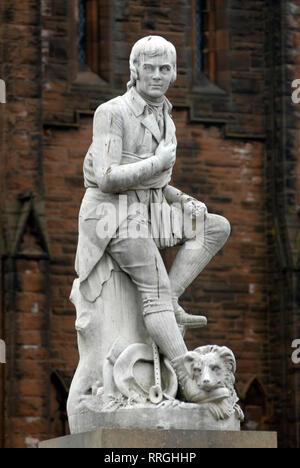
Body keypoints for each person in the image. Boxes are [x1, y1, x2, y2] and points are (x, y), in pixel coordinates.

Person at [75, 36, 231, 402]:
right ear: (135, 71)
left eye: (165, 68)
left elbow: (159, 182)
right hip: (111, 215)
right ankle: (188, 378)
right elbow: (108, 176)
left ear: (174, 72)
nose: (157, 76)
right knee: (154, 290)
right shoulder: (111, 112)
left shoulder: (165, 114)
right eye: (150, 68)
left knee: (215, 226)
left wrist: (183, 198)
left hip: (149, 209)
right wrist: (159, 163)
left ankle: (168, 304)